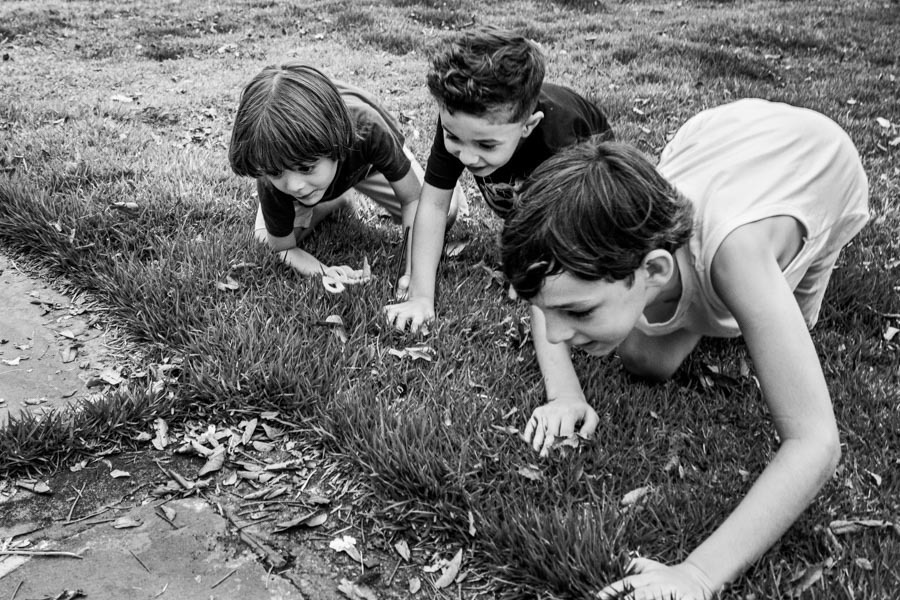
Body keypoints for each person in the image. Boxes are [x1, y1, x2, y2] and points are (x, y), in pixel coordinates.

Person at [500, 98, 869, 599]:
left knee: (782, 322)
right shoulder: (595, 250)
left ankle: (761, 299)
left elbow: (816, 444)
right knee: (646, 360)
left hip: (819, 158)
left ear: (653, 269)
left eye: (579, 312)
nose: (555, 335)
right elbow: (550, 292)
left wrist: (696, 575)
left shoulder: (736, 254)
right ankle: (712, 305)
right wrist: (565, 392)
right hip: (717, 136)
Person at [383, 26, 613, 329]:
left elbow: (580, 229)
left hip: (586, 201)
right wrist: (420, 296)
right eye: (453, 137)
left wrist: (535, 273)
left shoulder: (562, 140)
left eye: (486, 145)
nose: (466, 157)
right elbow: (435, 205)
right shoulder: (462, 123)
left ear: (528, 127)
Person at [228, 62, 466, 293]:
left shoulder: (369, 128)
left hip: (369, 164)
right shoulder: (271, 170)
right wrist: (323, 271)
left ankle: (443, 185)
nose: (295, 185)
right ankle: (334, 200)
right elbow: (283, 248)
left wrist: (412, 274)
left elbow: (412, 199)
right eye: (277, 172)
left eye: (307, 168)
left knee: (439, 213)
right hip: (337, 163)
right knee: (266, 240)